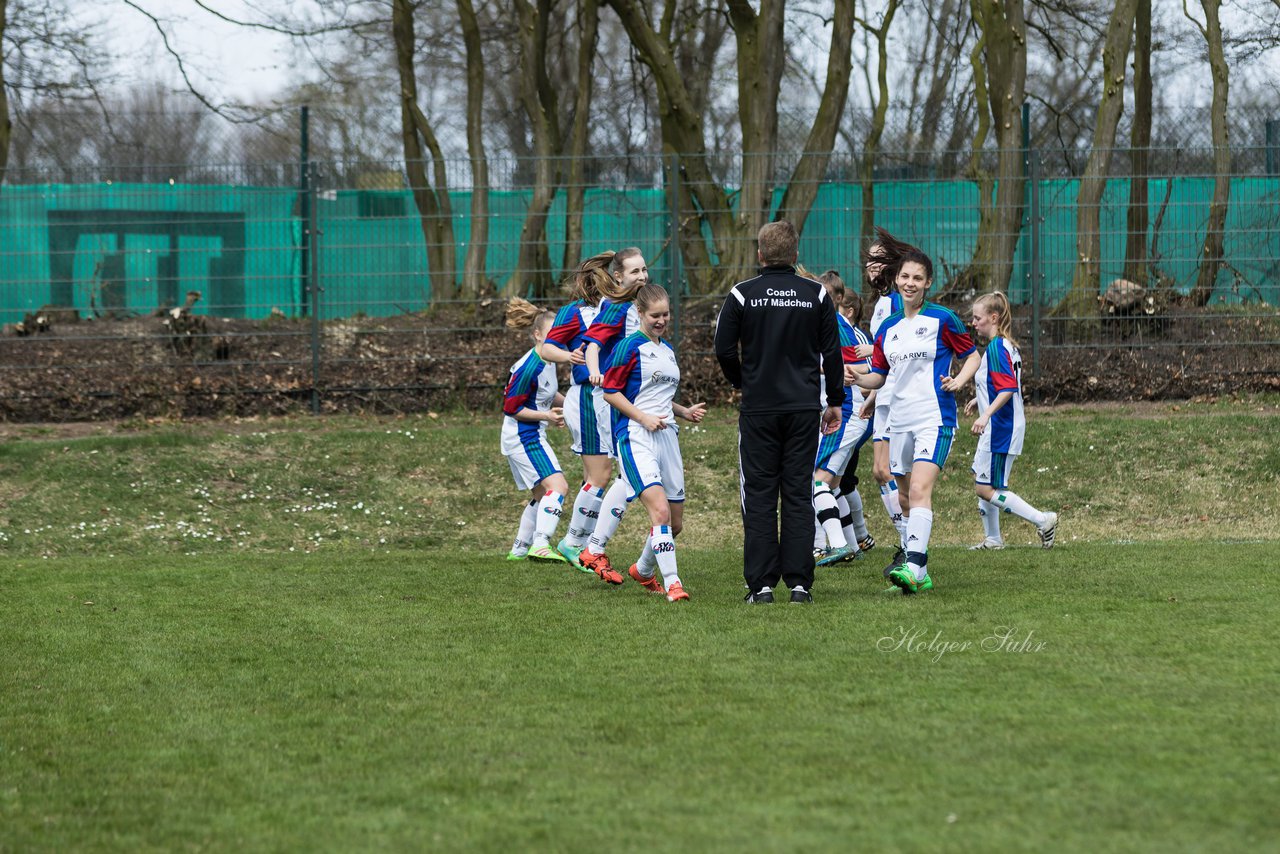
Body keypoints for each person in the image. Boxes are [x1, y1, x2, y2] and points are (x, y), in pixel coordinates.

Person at [714, 220, 844, 605]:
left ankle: (762, 587)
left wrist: (742, 382)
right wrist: (834, 400)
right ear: (796, 255)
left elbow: (723, 348)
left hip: (759, 410)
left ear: (759, 255)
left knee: (759, 495)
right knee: (798, 494)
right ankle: (800, 585)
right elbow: (833, 352)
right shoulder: (816, 294)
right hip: (804, 408)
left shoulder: (742, 294)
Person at [854, 248, 981, 594]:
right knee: (907, 497)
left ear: (927, 284)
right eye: (905, 277)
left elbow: (973, 356)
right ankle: (918, 571)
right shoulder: (888, 327)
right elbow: (878, 376)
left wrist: (958, 381)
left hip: (934, 418)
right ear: (897, 280)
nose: (910, 283)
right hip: (899, 421)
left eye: (918, 278)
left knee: (921, 488)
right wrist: (854, 377)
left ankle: (912, 566)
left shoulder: (943, 318)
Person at [601, 284, 707, 602]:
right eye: (655, 315)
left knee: (674, 524)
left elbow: (658, 396)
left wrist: (683, 411)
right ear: (640, 314)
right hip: (635, 436)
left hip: (668, 437)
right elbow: (610, 391)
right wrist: (642, 418)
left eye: (665, 314)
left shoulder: (666, 349)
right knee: (659, 512)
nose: (661, 320)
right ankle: (673, 584)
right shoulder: (629, 347)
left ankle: (644, 570)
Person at [571, 247, 650, 585]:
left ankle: (594, 546)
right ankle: (592, 546)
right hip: (617, 403)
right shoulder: (616, 307)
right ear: (618, 277)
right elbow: (593, 346)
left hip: (640, 402)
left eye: (645, 269)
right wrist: (595, 374)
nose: (643, 276)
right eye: (635, 272)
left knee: (629, 476)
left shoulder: (641, 306)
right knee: (628, 476)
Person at [538, 252, 616, 578]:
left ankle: (581, 544)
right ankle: (574, 544)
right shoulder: (575, 313)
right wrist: (568, 354)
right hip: (587, 398)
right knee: (599, 475)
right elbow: (546, 348)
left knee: (600, 476)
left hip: (612, 398)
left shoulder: (619, 310)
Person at [964, 291, 1059, 549]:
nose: (973, 323)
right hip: (1001, 424)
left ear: (993, 318)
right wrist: (979, 401)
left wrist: (986, 414)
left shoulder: (996, 348)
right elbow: (1000, 384)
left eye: (977, 318)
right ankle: (993, 539)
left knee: (987, 488)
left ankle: (1043, 520)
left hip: (1001, 428)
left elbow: (1007, 389)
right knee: (981, 480)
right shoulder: (1006, 345)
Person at [856, 229, 915, 576]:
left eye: (877, 260)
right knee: (881, 471)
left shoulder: (897, 301)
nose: (870, 265)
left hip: (898, 398)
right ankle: (908, 544)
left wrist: (872, 366)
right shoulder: (882, 303)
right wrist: (873, 393)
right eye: (868, 260)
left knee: (891, 473)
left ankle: (910, 547)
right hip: (884, 396)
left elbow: (896, 355)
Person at [808, 269, 874, 567]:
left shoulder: (836, 326)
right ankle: (851, 545)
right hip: (844, 414)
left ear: (836, 298)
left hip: (846, 415)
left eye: (823, 294)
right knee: (833, 484)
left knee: (817, 481)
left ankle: (829, 544)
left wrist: (850, 375)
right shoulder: (827, 323)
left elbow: (856, 368)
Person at [501, 298, 570, 563]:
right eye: (551, 335)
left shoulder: (549, 360)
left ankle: (519, 548)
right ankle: (541, 543)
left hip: (528, 435)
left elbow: (548, 393)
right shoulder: (529, 367)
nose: (556, 341)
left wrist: (571, 406)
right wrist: (546, 416)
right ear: (537, 335)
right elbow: (511, 408)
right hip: (522, 437)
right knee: (558, 486)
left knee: (542, 494)